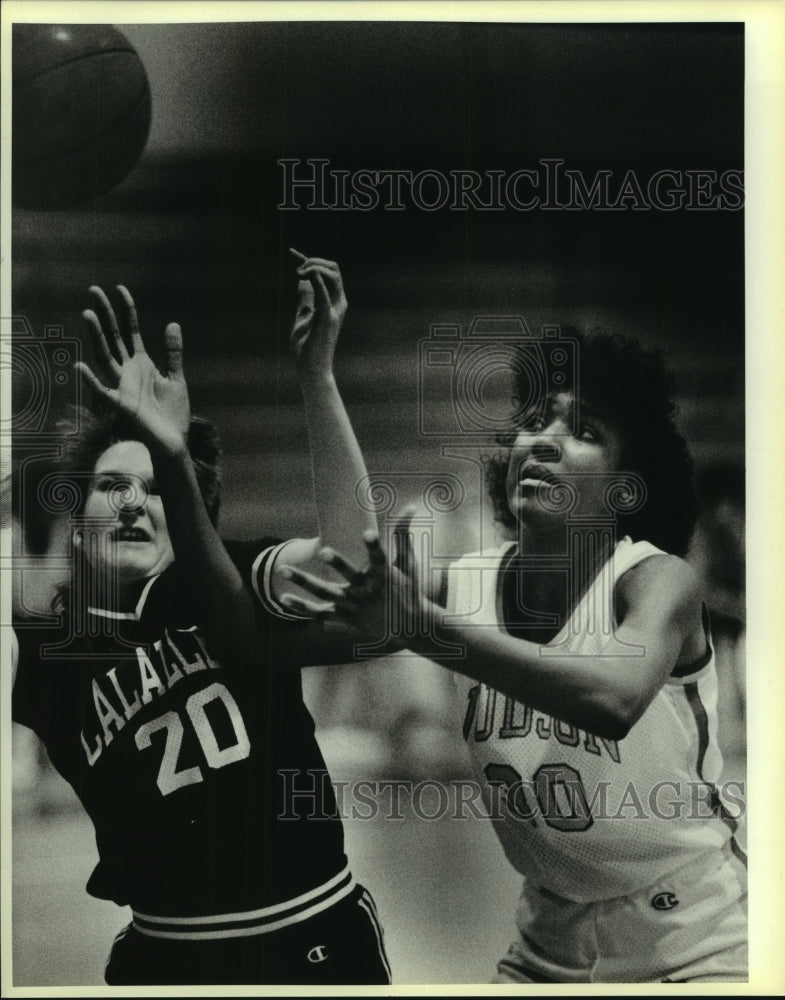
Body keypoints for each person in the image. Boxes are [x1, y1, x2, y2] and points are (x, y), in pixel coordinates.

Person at [280, 329, 748, 984]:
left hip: (696, 939)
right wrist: (317, 379)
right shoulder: (461, 584)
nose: (544, 439)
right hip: (546, 943)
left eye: (583, 430)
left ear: (622, 486)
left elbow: (612, 700)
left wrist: (427, 629)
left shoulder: (655, 580)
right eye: (532, 422)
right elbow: (320, 605)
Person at [11, 252, 392, 986]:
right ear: (76, 510)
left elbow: (351, 561)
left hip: (307, 931)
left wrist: (315, 378)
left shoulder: (220, 582)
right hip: (164, 952)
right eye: (111, 485)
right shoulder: (47, 643)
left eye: (156, 487)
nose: (131, 503)